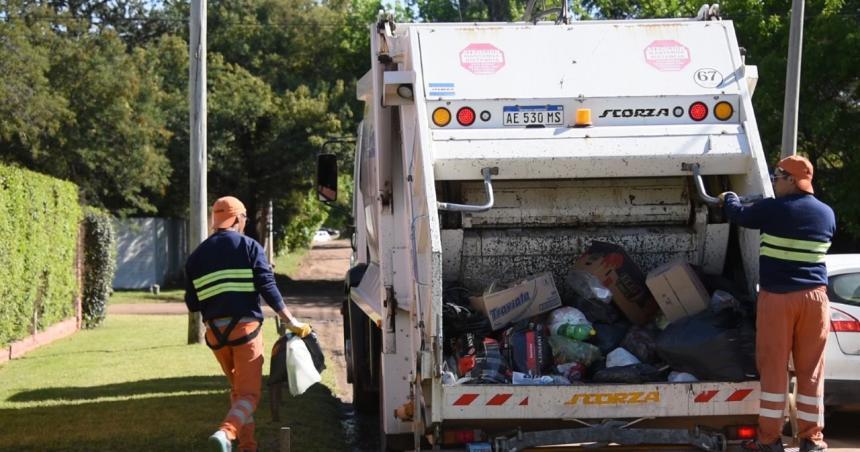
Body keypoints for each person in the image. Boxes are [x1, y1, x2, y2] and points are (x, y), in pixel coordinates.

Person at [719, 155, 835, 452]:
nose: (773, 180)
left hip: (779, 299)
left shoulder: (773, 209)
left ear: (791, 180)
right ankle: (812, 439)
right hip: (815, 300)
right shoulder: (827, 214)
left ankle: (770, 440)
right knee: (811, 371)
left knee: (774, 369)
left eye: (777, 176)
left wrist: (729, 197)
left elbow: (739, 215)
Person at [185, 196, 312, 452]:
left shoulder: (195, 257)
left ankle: (247, 446)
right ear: (236, 218)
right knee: (249, 395)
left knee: (238, 392)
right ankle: (226, 433)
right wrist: (291, 321)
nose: (244, 222)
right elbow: (268, 287)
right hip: (246, 333)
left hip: (216, 337)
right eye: (243, 218)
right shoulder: (250, 247)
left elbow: (193, 304)